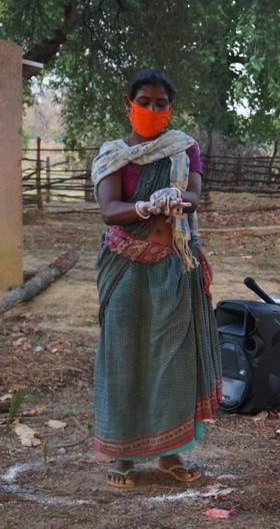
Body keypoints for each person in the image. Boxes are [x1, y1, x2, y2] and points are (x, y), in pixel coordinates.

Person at [90, 68, 220, 489]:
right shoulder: (114, 155)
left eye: (160, 104)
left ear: (170, 108)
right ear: (128, 105)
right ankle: (123, 457)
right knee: (124, 357)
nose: (151, 109)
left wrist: (179, 198)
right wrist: (145, 206)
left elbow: (196, 197)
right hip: (126, 268)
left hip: (172, 267)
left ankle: (170, 453)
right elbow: (110, 210)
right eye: (143, 102)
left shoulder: (184, 149)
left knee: (173, 362)